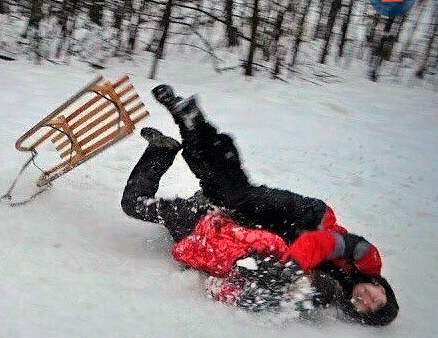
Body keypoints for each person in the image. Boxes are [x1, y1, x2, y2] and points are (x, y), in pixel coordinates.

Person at [121, 84, 398, 325]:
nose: (366, 300)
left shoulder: (334, 292)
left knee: (219, 191)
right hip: (305, 217)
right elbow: (322, 243)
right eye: (377, 300)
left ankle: (189, 122)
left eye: (365, 309)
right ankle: (193, 123)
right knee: (239, 197)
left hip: (273, 233)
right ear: (383, 289)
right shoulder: (368, 260)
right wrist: (293, 267)